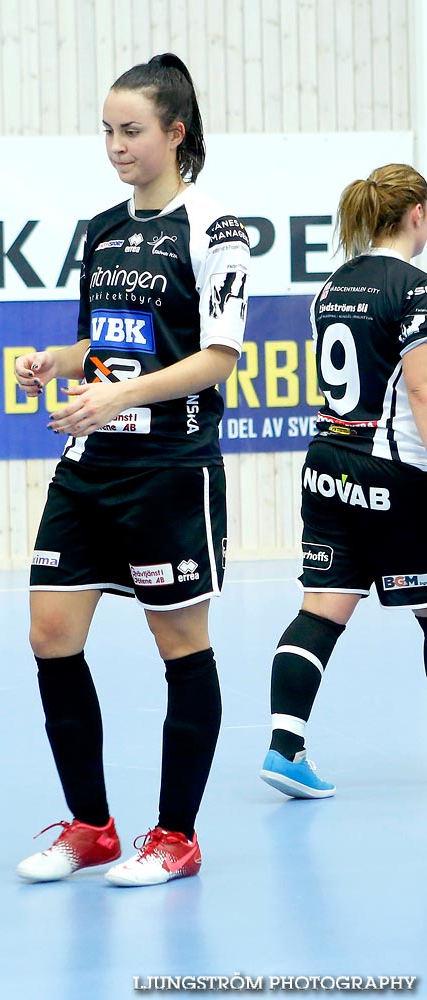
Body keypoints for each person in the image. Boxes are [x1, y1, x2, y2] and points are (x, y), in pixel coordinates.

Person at [12, 54, 250, 887]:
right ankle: (91, 826)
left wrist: (117, 398)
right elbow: (103, 344)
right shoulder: (103, 229)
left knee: (178, 642)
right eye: (107, 131)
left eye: (132, 131)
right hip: (92, 461)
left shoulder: (215, 229)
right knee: (51, 634)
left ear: (175, 132)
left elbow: (218, 357)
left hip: (168, 467)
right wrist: (59, 360)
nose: (115, 146)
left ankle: (176, 836)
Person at [259, 164, 427, 799]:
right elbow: (421, 389)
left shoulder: (332, 288)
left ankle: (284, 747)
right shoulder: (415, 289)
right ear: (416, 214)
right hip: (395, 470)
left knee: (322, 610)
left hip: (328, 462)